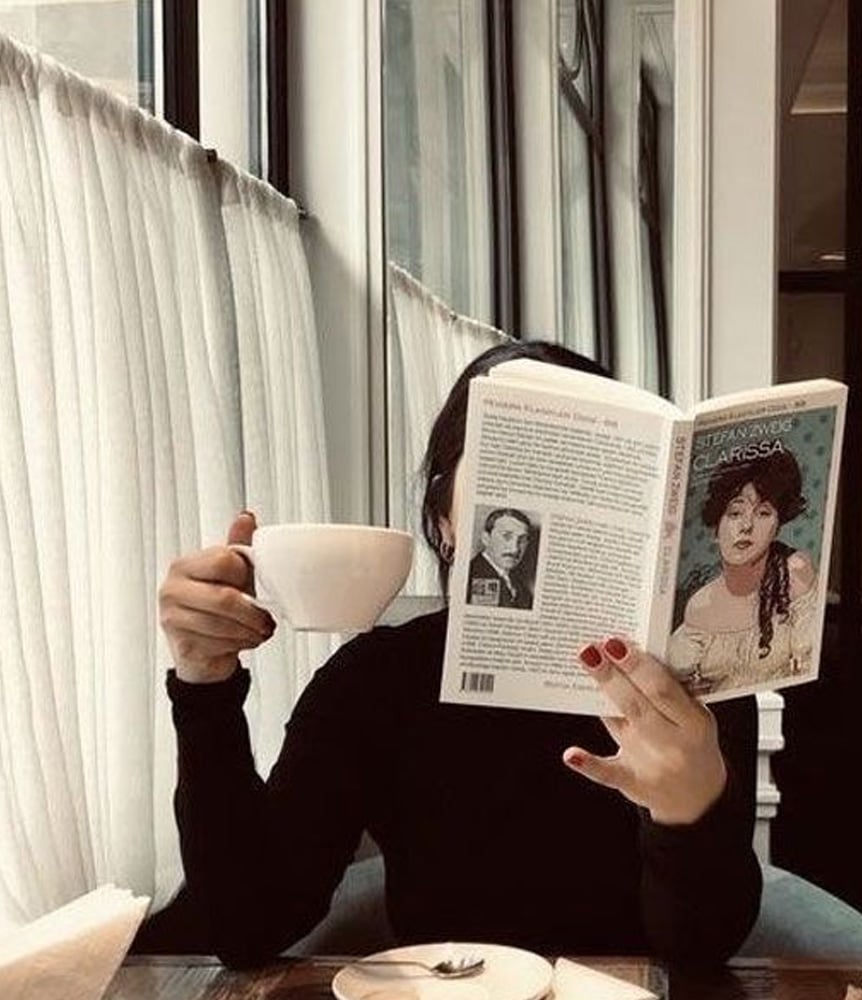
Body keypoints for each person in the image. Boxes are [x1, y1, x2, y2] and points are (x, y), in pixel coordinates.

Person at [154, 340, 762, 969]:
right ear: (444, 521)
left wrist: (687, 812)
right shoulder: (377, 682)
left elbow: (703, 951)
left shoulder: (694, 681)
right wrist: (203, 685)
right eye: (513, 458)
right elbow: (246, 922)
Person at [669, 449, 817, 697]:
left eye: (763, 513)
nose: (746, 526)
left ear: (777, 526)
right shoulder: (700, 605)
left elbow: (809, 673)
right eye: (735, 513)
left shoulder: (794, 573)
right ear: (716, 527)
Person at [466, 507, 534, 609]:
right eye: (506, 536)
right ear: (486, 539)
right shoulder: (471, 575)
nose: (514, 548)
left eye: (522, 540)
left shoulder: (520, 586)